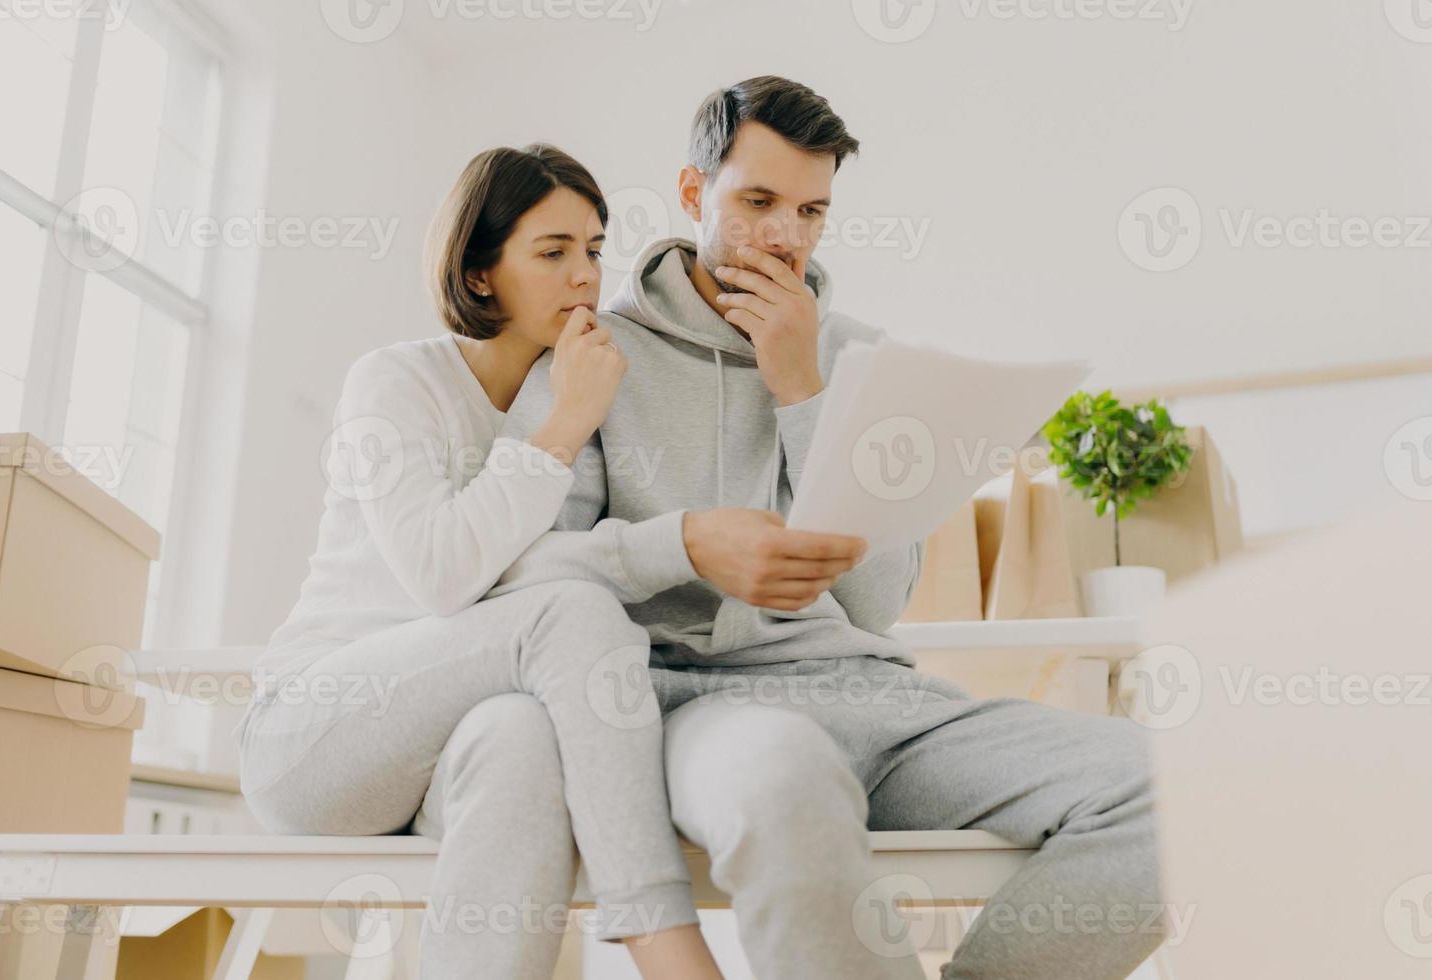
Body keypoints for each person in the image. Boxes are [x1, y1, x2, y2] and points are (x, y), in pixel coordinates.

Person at [490, 76, 1166, 979]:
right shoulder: (591, 355)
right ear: (694, 195)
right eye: (758, 201)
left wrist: (802, 387)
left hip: (879, 705)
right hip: (701, 707)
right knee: (783, 784)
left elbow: (876, 603)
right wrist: (687, 543)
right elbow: (529, 580)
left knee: (1178, 787)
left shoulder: (858, 358)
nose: (784, 235)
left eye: (810, 211)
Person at [233, 144, 750, 979]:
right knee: (569, 615)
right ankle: (664, 944)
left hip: (447, 751)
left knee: (520, 730)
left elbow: (572, 567)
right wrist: (563, 428)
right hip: (316, 733)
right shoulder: (394, 381)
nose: (584, 276)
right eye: (551, 253)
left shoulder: (582, 393)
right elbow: (442, 578)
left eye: (593, 250)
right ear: (480, 275)